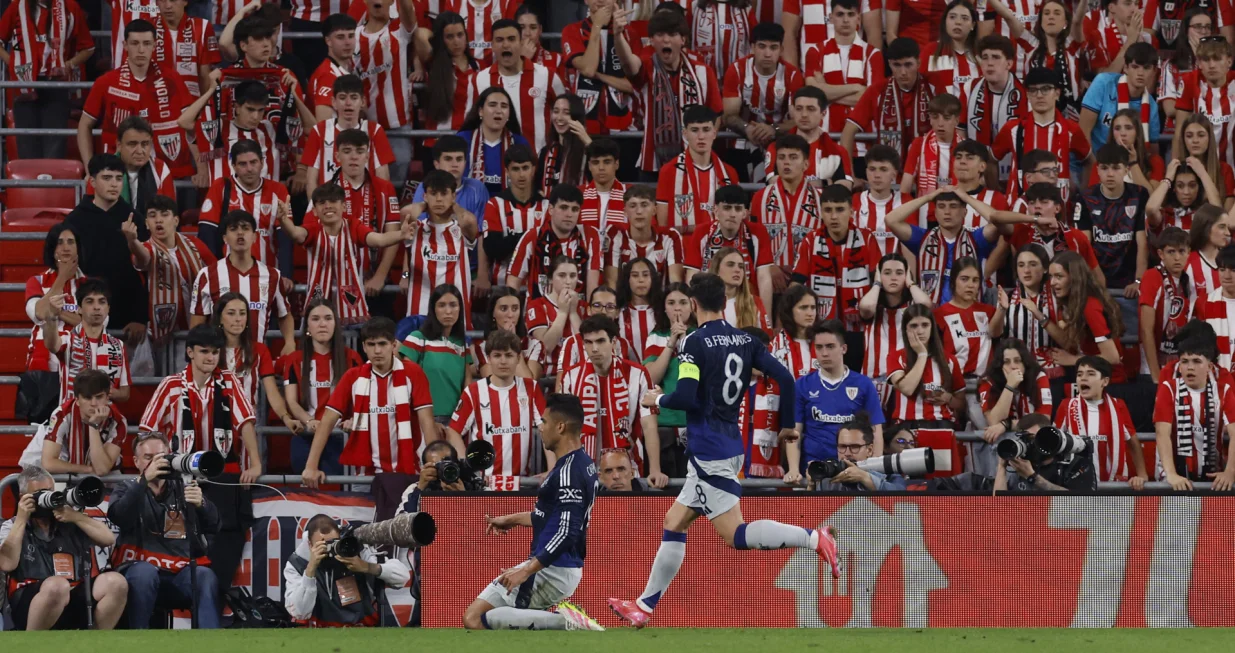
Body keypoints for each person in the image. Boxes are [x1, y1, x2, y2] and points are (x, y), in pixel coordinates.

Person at [609, 273, 838, 629]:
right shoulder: (745, 338)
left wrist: (658, 399)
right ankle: (644, 606)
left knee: (735, 534)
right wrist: (787, 426)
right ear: (724, 302)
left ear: (695, 305)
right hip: (728, 445)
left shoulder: (694, 343)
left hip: (709, 452)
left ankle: (812, 537)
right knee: (674, 522)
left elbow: (684, 398)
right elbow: (787, 379)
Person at [463, 394, 603, 631]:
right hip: (557, 565)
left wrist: (526, 570)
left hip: (554, 568)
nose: (540, 427)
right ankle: (565, 623)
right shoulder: (579, 463)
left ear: (560, 427)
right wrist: (512, 519)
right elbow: (551, 516)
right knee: (499, 622)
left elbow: (567, 531)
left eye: (545, 422)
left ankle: (567, 622)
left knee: (475, 618)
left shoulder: (568, 471)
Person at [302, 317, 438, 486]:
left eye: (382, 344)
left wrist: (435, 466)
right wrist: (311, 466)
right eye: (372, 345)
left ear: (394, 345)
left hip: (409, 473)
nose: (377, 351)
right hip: (366, 477)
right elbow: (327, 421)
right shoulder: (352, 377)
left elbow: (427, 423)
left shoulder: (413, 373)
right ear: (364, 347)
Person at [108, 432, 221, 629]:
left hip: (177, 575)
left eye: (161, 456)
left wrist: (202, 504)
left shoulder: (182, 486)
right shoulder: (126, 487)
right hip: (137, 571)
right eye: (148, 458)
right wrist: (144, 481)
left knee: (204, 576)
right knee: (145, 574)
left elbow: (215, 526)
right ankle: (136, 642)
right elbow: (119, 517)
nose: (156, 462)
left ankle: (209, 644)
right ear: (136, 462)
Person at [0, 466, 127, 631]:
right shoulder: (12, 525)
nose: (47, 498)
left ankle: (95, 643)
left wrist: (76, 517)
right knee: (57, 586)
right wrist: (21, 519)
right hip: (30, 600)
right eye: (40, 494)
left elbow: (108, 539)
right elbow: (6, 564)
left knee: (116, 583)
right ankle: (31, 644)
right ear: (24, 497)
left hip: (72, 593)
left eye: (50, 491)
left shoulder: (67, 519)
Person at [139, 324, 262, 482]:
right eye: (204, 351)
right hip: (179, 474)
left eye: (215, 352)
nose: (211, 358)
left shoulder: (229, 381)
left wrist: (256, 465)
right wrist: (149, 472)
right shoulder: (171, 385)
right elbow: (147, 429)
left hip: (221, 472)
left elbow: (246, 422)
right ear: (190, 352)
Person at [79, 19, 194, 178]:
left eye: (147, 43)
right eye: (135, 43)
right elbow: (84, 125)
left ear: (154, 46)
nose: (141, 50)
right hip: (118, 173)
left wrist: (200, 167)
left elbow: (192, 124)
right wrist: (89, 168)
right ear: (125, 45)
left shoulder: (172, 79)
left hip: (167, 171)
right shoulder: (106, 82)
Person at [615, 9, 723, 176]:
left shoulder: (703, 72)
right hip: (653, 165)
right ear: (651, 40)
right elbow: (629, 65)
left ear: (683, 40)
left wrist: (704, 145)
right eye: (660, 34)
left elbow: (716, 114)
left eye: (672, 34)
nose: (666, 39)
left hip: (695, 162)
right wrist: (617, 35)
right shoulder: (647, 68)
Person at [283, 183, 411, 324]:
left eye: (333, 201)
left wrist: (401, 234)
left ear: (344, 206)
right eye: (322, 203)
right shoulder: (312, 229)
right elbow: (295, 233)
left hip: (351, 306)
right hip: (318, 305)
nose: (328, 206)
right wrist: (283, 220)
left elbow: (379, 239)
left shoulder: (354, 226)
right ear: (314, 210)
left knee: (353, 341)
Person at [558, 315, 660, 478]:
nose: (594, 349)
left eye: (600, 341)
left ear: (613, 342)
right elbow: (564, 431)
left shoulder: (638, 374)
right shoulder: (571, 377)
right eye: (588, 342)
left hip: (627, 466)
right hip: (583, 468)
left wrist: (655, 470)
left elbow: (649, 426)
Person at [65, 155, 151, 344]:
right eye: (107, 178)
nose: (114, 184)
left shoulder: (135, 218)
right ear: (93, 182)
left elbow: (148, 272)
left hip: (128, 320)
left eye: (119, 178)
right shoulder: (74, 221)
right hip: (85, 315)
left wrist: (140, 317)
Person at [789, 319, 885, 482]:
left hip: (855, 472)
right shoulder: (802, 385)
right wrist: (793, 470)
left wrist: (873, 473)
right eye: (819, 347)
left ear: (844, 348)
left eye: (830, 346)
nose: (824, 353)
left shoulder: (863, 385)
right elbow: (794, 433)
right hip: (815, 471)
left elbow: (875, 431)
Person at [446, 330, 547, 483]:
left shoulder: (531, 388)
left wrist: (553, 468)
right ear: (488, 358)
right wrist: (467, 467)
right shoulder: (474, 391)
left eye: (509, 355)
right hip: (483, 484)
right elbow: (453, 431)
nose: (503, 361)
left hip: (521, 483)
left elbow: (546, 428)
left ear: (518, 358)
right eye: (497, 355)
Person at [189, 210, 294, 353]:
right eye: (233, 229)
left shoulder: (272, 275)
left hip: (257, 362)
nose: (240, 233)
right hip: (219, 362)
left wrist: (289, 341)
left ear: (255, 237)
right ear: (225, 238)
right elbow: (197, 326)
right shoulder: (207, 275)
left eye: (245, 228)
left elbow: (284, 314)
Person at [0, 0, 94, 159]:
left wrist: (69, 64)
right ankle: (29, 183)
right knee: (26, 145)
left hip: (56, 85)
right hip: (24, 85)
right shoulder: (17, 6)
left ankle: (52, 183)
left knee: (55, 146)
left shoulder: (70, 7)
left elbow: (88, 48)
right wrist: (14, 65)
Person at [283, 513, 411, 626]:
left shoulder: (355, 549)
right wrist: (310, 570)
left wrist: (367, 567)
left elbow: (403, 577)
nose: (329, 549)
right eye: (322, 545)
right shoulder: (298, 562)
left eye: (333, 543)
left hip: (360, 630)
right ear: (310, 544)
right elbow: (300, 613)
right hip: (317, 633)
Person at [283, 298, 364, 476]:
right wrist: (309, 421)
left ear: (336, 323)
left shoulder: (352, 358)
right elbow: (291, 401)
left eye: (328, 318)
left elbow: (362, 398)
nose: (322, 324)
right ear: (307, 327)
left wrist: (353, 419)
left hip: (341, 436)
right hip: (306, 436)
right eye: (315, 319)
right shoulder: (294, 360)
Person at [126, 195, 216, 344]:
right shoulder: (146, 248)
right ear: (147, 224)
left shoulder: (194, 244)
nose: (158, 220)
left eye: (164, 214)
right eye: (152, 215)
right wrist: (132, 241)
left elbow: (216, 273)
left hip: (197, 330)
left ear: (176, 220)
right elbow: (142, 258)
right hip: (163, 336)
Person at [801, 0, 885, 155]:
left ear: (858, 18)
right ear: (831, 17)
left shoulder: (873, 54)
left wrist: (826, 92)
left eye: (851, 14)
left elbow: (874, 100)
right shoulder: (814, 51)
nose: (846, 20)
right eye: (840, 14)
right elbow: (812, 96)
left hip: (863, 147)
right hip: (824, 145)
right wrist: (856, 88)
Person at [992, 67, 1092, 197]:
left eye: (1045, 89)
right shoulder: (1013, 128)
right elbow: (991, 159)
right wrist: (996, 191)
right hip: (1018, 208)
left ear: (1057, 93)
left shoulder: (1071, 129)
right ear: (1027, 94)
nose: (1039, 95)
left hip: (1060, 208)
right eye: (1033, 90)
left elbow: (1089, 160)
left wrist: (1082, 193)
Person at [1154, 332, 1235, 491]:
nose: (1190, 367)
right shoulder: (1168, 388)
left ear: (1210, 367)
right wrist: (1171, 474)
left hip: (1213, 476)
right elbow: (1162, 433)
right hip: (1175, 476)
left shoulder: (1224, 391)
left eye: (1197, 361)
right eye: (1184, 362)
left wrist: (1229, 472)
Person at [791, 184, 879, 330]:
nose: (833, 217)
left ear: (851, 211)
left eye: (840, 209)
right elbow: (796, 285)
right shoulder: (811, 240)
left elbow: (878, 281)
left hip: (861, 327)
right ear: (821, 213)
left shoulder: (867, 238)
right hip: (821, 328)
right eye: (828, 210)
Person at [470, 19, 565, 152]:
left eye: (511, 39)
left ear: (521, 42)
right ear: (492, 45)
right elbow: (473, 124)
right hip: (496, 165)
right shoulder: (480, 80)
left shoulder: (547, 76)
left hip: (538, 164)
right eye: (499, 40)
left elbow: (566, 115)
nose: (505, 45)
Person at [198, 140, 292, 273]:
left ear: (262, 163)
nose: (249, 169)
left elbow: (285, 237)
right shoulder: (221, 188)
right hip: (228, 275)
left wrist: (286, 274)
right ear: (234, 166)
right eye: (243, 164)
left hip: (268, 275)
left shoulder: (278, 190)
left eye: (253, 162)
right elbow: (207, 235)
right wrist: (214, 272)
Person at [1055, 355, 1148, 488]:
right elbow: (1054, 442)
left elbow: (1132, 441)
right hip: (1076, 485)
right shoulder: (1067, 406)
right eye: (1080, 374)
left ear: (1104, 381)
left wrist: (1142, 475)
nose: (1083, 378)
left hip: (1113, 485)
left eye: (1091, 374)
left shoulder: (1118, 406)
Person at [210, 292, 296, 434]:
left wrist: (286, 418)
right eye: (231, 313)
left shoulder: (259, 350)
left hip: (248, 426)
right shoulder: (209, 349)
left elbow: (272, 392)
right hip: (213, 423)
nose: (238, 319)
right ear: (220, 318)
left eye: (242, 313)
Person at [841, 37, 938, 163]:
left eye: (908, 65)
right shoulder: (877, 90)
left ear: (918, 63)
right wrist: (849, 175)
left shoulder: (934, 84)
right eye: (897, 65)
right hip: (889, 175)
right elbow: (848, 130)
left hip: (927, 170)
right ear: (889, 64)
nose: (903, 72)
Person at [352, 0, 418, 183]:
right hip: (364, 125)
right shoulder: (354, 36)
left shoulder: (400, 29)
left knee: (396, 184)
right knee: (365, 182)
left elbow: (408, 10)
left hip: (398, 124)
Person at [399, 170, 478, 320]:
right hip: (421, 308)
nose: (439, 199)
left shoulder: (461, 229)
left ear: (454, 196)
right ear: (425, 196)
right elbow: (405, 212)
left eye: (444, 194)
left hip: (455, 310)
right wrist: (405, 276)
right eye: (433, 194)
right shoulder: (416, 228)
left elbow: (470, 221)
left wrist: (453, 206)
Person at [683, 185, 775, 311]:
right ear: (716, 210)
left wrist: (766, 318)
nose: (732, 214)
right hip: (710, 305)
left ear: (745, 213)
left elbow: (764, 278)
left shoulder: (758, 232)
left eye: (737, 209)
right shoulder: (702, 232)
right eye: (727, 208)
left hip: (746, 305)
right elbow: (692, 278)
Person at [39, 278, 131, 404]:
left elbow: (125, 393)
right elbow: (51, 344)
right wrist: (52, 316)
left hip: (104, 417)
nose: (97, 307)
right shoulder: (68, 339)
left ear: (108, 308)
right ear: (79, 309)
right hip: (72, 416)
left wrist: (106, 391)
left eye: (102, 302)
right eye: (90, 302)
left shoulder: (118, 345)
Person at [1076, 143, 1150, 297]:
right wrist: (1094, 280)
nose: (1110, 174)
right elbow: (1084, 244)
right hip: (1096, 278)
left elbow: (1142, 243)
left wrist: (1139, 281)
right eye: (1104, 168)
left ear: (1126, 170)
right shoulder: (1085, 198)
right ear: (1097, 170)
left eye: (1116, 168)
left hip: (1130, 282)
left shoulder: (1139, 195)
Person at [302, 75, 396, 194]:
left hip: (365, 208)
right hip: (329, 208)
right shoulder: (319, 131)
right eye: (342, 97)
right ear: (333, 102)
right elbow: (311, 180)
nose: (348, 103)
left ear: (362, 102)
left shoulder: (375, 131)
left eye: (353, 97)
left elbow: (383, 177)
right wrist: (315, 210)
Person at [720, 22, 803, 157]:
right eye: (762, 46)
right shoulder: (736, 70)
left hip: (780, 141)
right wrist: (748, 129)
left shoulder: (793, 75)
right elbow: (728, 116)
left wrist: (773, 129)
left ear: (781, 50)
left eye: (773, 48)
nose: (767, 54)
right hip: (742, 139)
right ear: (752, 48)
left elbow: (797, 119)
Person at [1045, 250, 1129, 382]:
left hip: (1109, 383)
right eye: (1051, 276)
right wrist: (1040, 316)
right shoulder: (1072, 303)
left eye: (1059, 276)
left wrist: (1073, 360)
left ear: (1074, 278)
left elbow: (1113, 357)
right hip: (1089, 377)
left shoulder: (1090, 306)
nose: (1052, 282)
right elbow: (1071, 344)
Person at [654, 104, 739, 233]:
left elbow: (736, 219)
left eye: (706, 129)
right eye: (695, 130)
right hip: (684, 247)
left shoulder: (729, 173)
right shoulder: (669, 171)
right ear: (685, 133)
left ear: (714, 133)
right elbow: (663, 225)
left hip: (719, 248)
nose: (701, 136)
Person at [508, 184, 602, 299]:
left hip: (577, 313)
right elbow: (513, 281)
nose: (569, 214)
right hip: (539, 313)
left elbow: (592, 287)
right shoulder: (532, 237)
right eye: (563, 207)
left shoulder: (590, 236)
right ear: (551, 209)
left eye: (575, 209)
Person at [400, 284, 475, 428]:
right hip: (424, 418)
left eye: (453, 305)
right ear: (433, 309)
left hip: (456, 420)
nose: (448, 311)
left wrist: (463, 416)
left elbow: (467, 383)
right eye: (441, 305)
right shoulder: (417, 338)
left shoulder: (462, 344)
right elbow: (406, 381)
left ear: (460, 309)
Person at [858, 253, 933, 395]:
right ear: (879, 275)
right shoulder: (874, 306)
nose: (893, 277)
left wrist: (910, 283)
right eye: (887, 273)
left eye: (899, 273)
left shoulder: (913, 306)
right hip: (874, 382)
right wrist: (877, 283)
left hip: (906, 380)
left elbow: (926, 305)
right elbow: (866, 307)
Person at [560, 0, 637, 136]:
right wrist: (597, 26)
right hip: (584, 126)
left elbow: (634, 85)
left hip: (625, 126)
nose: (601, 0)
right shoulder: (571, 31)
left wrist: (600, 76)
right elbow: (588, 69)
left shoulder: (629, 33)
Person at [643, 282, 696, 477]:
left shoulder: (701, 336)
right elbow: (651, 377)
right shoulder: (656, 337)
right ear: (664, 308)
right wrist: (671, 343)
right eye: (671, 302)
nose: (677, 308)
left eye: (683, 302)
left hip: (695, 424)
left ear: (692, 306)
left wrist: (684, 342)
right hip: (664, 426)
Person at [752, 134, 825, 273]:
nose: (786, 162)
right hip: (769, 279)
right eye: (781, 157)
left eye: (793, 157)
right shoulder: (759, 198)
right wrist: (769, 267)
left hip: (809, 278)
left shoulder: (821, 199)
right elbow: (753, 240)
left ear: (806, 164)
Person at [887, 303, 967, 426]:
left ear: (932, 327)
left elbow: (961, 404)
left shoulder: (950, 360)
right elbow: (907, 389)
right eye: (914, 326)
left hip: (942, 423)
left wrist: (949, 398)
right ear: (905, 329)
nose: (920, 331)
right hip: (907, 424)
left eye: (925, 325)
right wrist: (922, 355)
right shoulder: (895, 357)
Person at [1006, 182, 1103, 283]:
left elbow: (1098, 278)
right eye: (1032, 202)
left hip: (1068, 296)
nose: (1037, 206)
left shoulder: (1076, 237)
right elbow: (995, 217)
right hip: (1031, 297)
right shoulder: (1021, 232)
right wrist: (1034, 219)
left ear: (1057, 208)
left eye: (1044, 202)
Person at [480, 145, 548, 289]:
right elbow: (493, 249)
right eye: (515, 169)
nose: (521, 174)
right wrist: (530, 239)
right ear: (507, 172)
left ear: (533, 169)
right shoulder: (494, 205)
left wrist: (511, 240)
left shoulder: (547, 206)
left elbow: (550, 247)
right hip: (502, 286)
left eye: (525, 168)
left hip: (540, 286)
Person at [91, 117, 177, 228]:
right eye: (132, 144)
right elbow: (92, 215)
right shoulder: (102, 171)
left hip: (150, 238)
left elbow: (169, 217)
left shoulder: (160, 170)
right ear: (119, 145)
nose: (140, 151)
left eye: (145, 144)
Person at [39, 370, 128, 475]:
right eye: (87, 397)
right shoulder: (61, 414)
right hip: (70, 474)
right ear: (77, 400)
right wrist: (88, 470)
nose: (94, 403)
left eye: (99, 397)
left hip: (108, 479)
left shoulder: (118, 422)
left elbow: (101, 469)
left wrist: (93, 426)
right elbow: (48, 463)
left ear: (107, 397)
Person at [764, 86, 855, 189]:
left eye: (810, 109)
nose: (804, 114)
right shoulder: (776, 148)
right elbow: (774, 182)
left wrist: (795, 182)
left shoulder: (838, 151)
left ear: (823, 113)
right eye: (799, 109)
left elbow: (845, 186)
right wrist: (823, 183)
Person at [959, 35, 1028, 169]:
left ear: (1009, 63)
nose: (989, 63)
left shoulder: (1026, 92)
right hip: (977, 171)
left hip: (1015, 170)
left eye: (995, 57)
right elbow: (961, 132)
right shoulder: (970, 88)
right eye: (985, 57)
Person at [934, 257, 1004, 386]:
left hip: (986, 385)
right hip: (954, 385)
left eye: (975, 280)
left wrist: (1002, 308)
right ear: (953, 281)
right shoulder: (939, 315)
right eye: (964, 279)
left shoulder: (989, 312)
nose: (970, 285)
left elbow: (996, 334)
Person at [1079, 42, 1161, 151]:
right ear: (1125, 68)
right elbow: (1083, 131)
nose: (1140, 73)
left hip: (1128, 164)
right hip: (1093, 159)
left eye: (1146, 68)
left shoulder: (1152, 106)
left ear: (1154, 71)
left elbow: (1152, 150)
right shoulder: (1103, 83)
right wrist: (1094, 166)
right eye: (1135, 67)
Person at [25, 224, 85, 373]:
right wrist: (62, 277)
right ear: (52, 249)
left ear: (78, 248)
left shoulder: (89, 284)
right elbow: (38, 314)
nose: (66, 247)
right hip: (44, 367)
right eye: (60, 242)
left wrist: (55, 312)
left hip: (81, 363)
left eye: (71, 242)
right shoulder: (36, 281)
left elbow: (95, 322)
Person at [457, 86, 532, 198]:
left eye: (504, 106)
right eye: (492, 105)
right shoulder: (462, 140)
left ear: (509, 114)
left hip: (507, 209)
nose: (498, 110)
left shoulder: (520, 143)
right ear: (480, 111)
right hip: (468, 207)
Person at [1172, 36, 1235, 168]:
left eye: (1217, 59)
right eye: (1206, 60)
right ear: (1199, 63)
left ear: (1229, 61)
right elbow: (1179, 132)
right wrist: (1176, 169)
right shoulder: (1190, 81)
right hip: (1199, 166)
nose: (1211, 65)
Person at [1140, 227, 1192, 383]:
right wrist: (1156, 376)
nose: (1177, 257)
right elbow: (1145, 329)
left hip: (1177, 365)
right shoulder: (1152, 276)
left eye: (1182, 251)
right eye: (1171, 252)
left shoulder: (1187, 281)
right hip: (1151, 367)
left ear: (1189, 252)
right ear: (1160, 254)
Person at [993, 413, 1097, 491]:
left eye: (1033, 438)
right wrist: (1001, 467)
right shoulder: (1021, 465)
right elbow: (998, 507)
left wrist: (1032, 477)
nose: (1030, 444)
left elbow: (1081, 504)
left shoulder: (1074, 464)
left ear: (1048, 437)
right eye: (1024, 439)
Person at [607, 184, 684, 285]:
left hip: (659, 300)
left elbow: (675, 282)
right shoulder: (615, 234)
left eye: (644, 205)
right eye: (633, 206)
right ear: (625, 212)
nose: (639, 211)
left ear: (654, 210)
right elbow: (611, 282)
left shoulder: (670, 236)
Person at [1002, 243, 1060, 376]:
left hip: (1052, 372)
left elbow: (1069, 341)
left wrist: (1039, 315)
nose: (1026, 270)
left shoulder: (1058, 298)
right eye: (1021, 265)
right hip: (1016, 373)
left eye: (1033, 264)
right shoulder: (1007, 298)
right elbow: (995, 335)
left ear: (1046, 268)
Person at [554, 285, 634, 378]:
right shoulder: (572, 343)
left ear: (617, 313)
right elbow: (561, 385)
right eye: (597, 305)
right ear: (588, 310)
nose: (603, 311)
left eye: (610, 306)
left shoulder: (624, 344)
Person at [808, 417, 908, 491]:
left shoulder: (889, 475)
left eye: (854, 447)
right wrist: (811, 486)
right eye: (842, 447)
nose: (847, 453)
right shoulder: (827, 477)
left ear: (869, 450)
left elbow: (899, 498)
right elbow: (810, 515)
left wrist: (864, 477)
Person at [526, 257, 584, 377]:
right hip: (547, 375)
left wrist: (573, 313)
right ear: (550, 279)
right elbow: (545, 347)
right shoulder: (537, 305)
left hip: (578, 374)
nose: (568, 281)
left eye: (573, 276)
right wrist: (563, 313)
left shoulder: (584, 307)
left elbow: (586, 348)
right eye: (562, 275)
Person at [151, 0, 219, 98]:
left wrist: (204, 107)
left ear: (185, 1)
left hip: (192, 103)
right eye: (162, 0)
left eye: (173, 0)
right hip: (156, 101)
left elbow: (205, 76)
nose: (168, 6)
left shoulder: (202, 27)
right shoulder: (147, 27)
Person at [902, 93, 963, 200]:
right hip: (925, 211)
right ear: (929, 119)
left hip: (957, 210)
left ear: (957, 120)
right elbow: (906, 185)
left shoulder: (965, 148)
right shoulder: (919, 144)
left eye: (946, 118)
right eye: (935, 117)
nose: (940, 123)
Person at [854, 146, 913, 257]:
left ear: (894, 175)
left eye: (883, 169)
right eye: (872, 169)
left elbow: (909, 246)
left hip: (895, 271)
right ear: (866, 172)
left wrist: (911, 274)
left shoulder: (906, 202)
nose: (877, 175)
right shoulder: (855, 201)